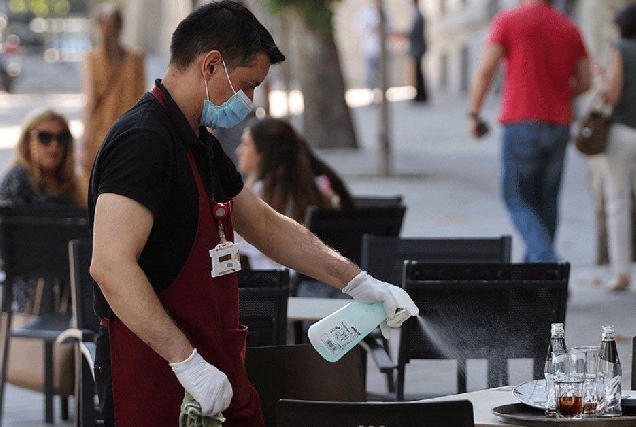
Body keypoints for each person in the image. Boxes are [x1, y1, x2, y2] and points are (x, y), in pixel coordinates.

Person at [87, 2, 418, 426]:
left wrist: (357, 281)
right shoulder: (142, 142)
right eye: (246, 85)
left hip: (215, 360)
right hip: (154, 371)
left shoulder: (200, 142)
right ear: (210, 66)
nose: (250, 101)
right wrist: (186, 362)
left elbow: (265, 225)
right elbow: (111, 265)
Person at [469, 0, 590, 263]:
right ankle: (539, 280)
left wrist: (475, 113)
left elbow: (486, 70)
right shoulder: (569, 27)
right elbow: (585, 81)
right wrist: (556, 93)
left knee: (516, 197)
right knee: (547, 201)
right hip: (558, 124)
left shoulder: (508, 20)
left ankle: (546, 261)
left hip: (521, 121)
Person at [234, 116, 352, 269]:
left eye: (245, 144)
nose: (238, 151)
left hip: (271, 284)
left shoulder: (258, 197)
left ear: (263, 154)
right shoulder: (317, 194)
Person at [0, 107, 85, 310]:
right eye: (45, 137)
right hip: (34, 283)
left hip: (68, 276)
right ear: (28, 142)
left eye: (62, 138)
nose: (54, 145)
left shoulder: (69, 185)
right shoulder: (18, 179)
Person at [80, 2, 146, 185]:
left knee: (97, 187)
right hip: (130, 134)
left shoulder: (92, 58)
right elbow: (142, 99)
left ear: (98, 26)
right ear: (121, 27)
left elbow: (91, 102)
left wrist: (84, 141)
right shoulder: (136, 58)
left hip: (99, 135)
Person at [594, 3, 636, 291]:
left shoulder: (621, 49)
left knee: (618, 202)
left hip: (623, 132)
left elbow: (612, 95)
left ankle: (621, 272)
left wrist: (600, 79)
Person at [355, 0, 384, 90]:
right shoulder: (365, 12)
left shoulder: (384, 12)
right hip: (370, 47)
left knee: (382, 73)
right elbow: (359, 28)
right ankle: (372, 91)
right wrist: (372, 28)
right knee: (371, 72)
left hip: (382, 49)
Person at [408, 0, 428, 103]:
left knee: (419, 73)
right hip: (416, 48)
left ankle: (421, 96)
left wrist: (404, 34)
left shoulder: (419, 16)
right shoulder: (416, 15)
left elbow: (415, 33)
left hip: (418, 48)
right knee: (417, 73)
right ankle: (419, 95)